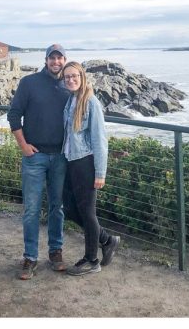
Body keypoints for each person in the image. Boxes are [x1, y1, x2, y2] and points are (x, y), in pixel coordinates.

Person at [7, 44, 70, 280]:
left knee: (57, 207)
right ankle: (30, 258)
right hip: (35, 157)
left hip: (61, 157)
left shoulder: (70, 84)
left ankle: (55, 252)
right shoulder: (29, 83)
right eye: (52, 58)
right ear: (46, 60)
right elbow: (14, 114)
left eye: (60, 58)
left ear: (65, 60)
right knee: (32, 209)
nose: (56, 62)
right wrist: (23, 146)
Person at [60, 61, 120, 275]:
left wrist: (100, 173)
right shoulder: (71, 99)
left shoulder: (91, 102)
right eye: (67, 77)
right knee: (69, 209)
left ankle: (92, 260)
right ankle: (106, 239)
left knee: (87, 212)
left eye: (74, 76)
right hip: (70, 161)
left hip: (85, 163)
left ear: (82, 76)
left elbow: (100, 140)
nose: (71, 80)